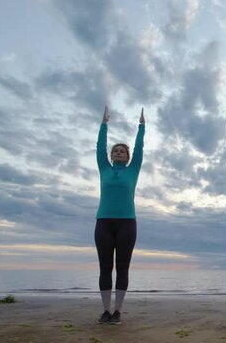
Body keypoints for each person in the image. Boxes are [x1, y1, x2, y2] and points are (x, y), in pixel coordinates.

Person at [95, 105, 145, 324]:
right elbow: (99, 147)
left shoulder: (133, 169)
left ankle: (118, 311)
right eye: (115, 150)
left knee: (122, 266)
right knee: (105, 266)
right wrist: (104, 124)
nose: (118, 152)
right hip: (104, 222)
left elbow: (140, 147)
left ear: (128, 156)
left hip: (127, 223)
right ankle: (105, 310)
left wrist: (142, 127)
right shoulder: (104, 168)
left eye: (122, 151)